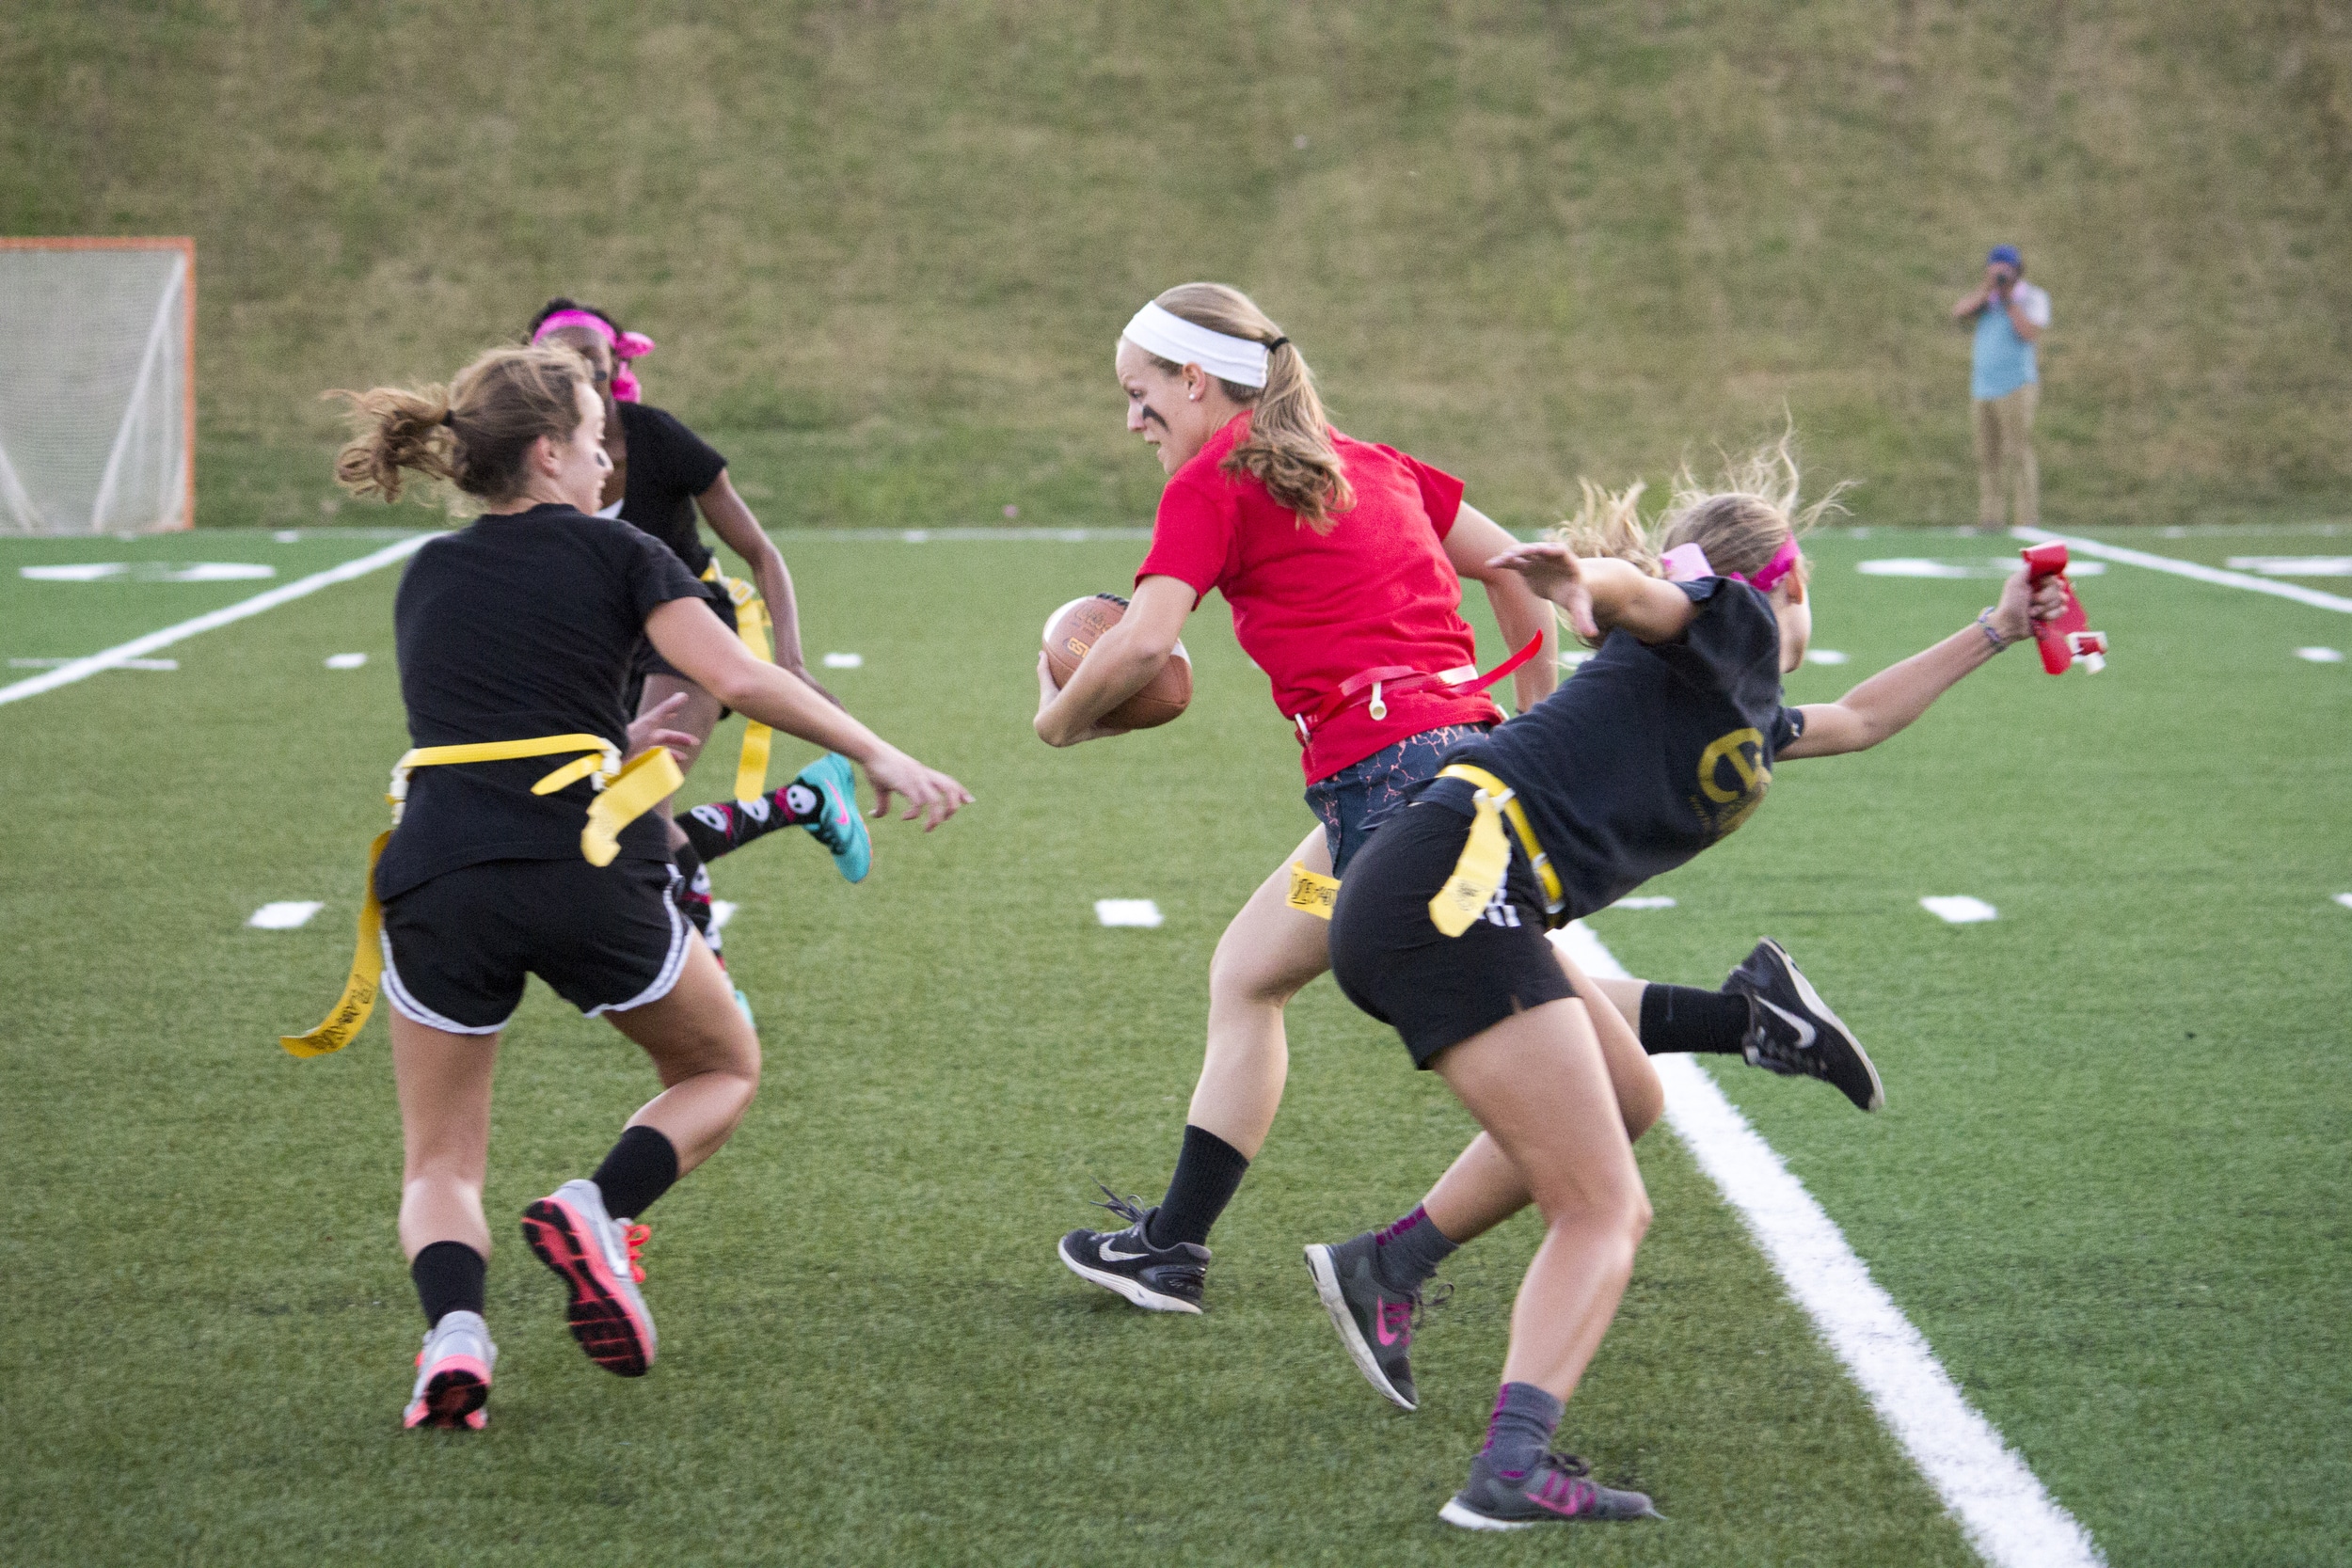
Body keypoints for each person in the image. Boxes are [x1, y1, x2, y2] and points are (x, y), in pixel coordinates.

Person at [1039, 287, 1875, 1321]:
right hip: (1442, 769)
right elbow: (1513, 567)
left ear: (1197, 380)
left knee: (1557, 1036)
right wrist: (1529, 718)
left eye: (1141, 393)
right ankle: (1170, 1243)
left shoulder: (1215, 480)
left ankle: (1748, 1019)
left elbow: (1145, 641)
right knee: (1251, 972)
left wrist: (1056, 719)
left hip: (1389, 790)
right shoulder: (1381, 462)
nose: (1132, 418)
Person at [1306, 445, 2063, 1528]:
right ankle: (1510, 1465)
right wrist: (1586, 586)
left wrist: (1994, 630)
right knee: (1604, 1205)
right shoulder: (1732, 621)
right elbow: (1648, 599)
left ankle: (1389, 1263)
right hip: (1458, 884)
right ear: (1788, 581)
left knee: (1629, 1100)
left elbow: (1857, 719)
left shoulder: (1735, 694)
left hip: (1453, 883)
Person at [307, 343, 970, 1432]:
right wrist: (879, 753)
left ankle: (454, 1339)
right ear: (548, 450)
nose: (612, 460)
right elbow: (741, 677)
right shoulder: (625, 554)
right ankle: (597, 1208)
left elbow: (486, 726)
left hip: (434, 871)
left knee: (439, 1160)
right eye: (595, 437)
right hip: (576, 862)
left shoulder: (427, 571)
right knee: (720, 1064)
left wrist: (606, 737)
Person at [524, 300, 866, 964]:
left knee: (642, 807)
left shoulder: (660, 440)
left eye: (591, 368)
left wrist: (789, 663)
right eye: (557, 371)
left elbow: (761, 552)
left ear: (617, 365)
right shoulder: (538, 460)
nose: (578, 384)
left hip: (693, 624)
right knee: (595, 827)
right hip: (613, 648)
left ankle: (714, 988)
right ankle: (805, 801)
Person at [1950, 245, 2050, 529]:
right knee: (1987, 453)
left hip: (2016, 385)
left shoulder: (2031, 297)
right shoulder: (1986, 298)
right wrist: (1987, 291)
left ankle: (2027, 518)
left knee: (2019, 450)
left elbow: (2029, 333)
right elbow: (1959, 313)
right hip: (1983, 387)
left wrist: (2008, 301)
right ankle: (1991, 517)